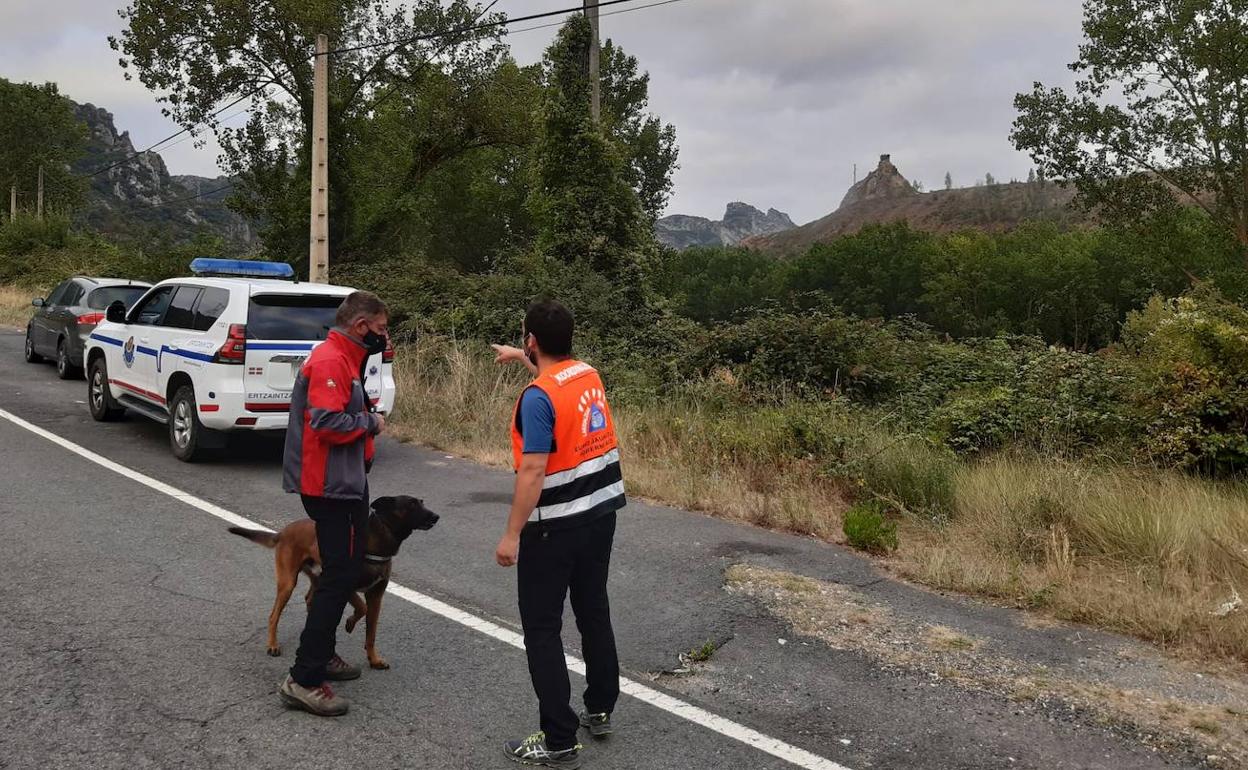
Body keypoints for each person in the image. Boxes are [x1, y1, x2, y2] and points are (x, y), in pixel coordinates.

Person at [492, 300, 625, 768]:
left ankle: (558, 740)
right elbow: (556, 379)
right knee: (593, 610)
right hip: (600, 514)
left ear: (533, 339)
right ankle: (600, 706)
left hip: (553, 528)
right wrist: (521, 357)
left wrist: (512, 535)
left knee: (543, 630)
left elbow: (532, 470)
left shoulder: (536, 399)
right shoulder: (588, 373)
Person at [277, 290, 389, 716]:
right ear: (361, 326)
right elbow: (326, 423)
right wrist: (371, 423)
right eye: (380, 329)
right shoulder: (329, 360)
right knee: (338, 576)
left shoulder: (346, 358)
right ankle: (303, 677)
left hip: (348, 483)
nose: (383, 336)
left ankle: (321, 655)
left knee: (344, 571)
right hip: (328, 486)